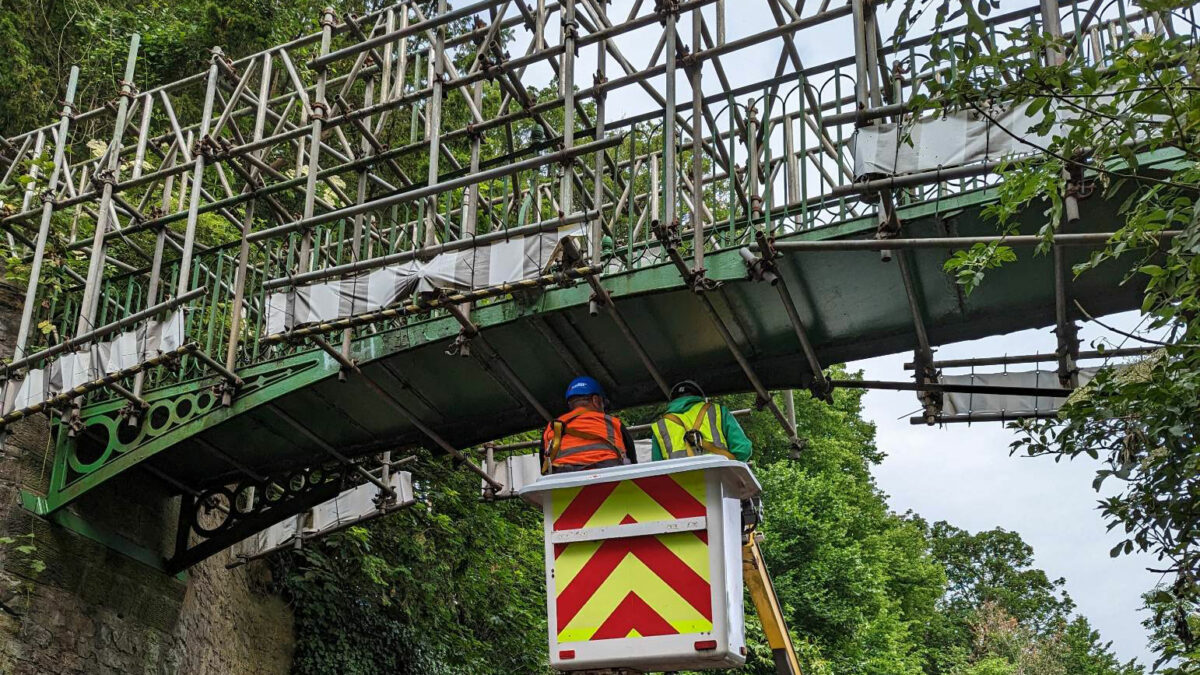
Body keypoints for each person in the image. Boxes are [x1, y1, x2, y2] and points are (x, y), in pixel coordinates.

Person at [541, 376, 637, 474]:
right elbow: (633, 462)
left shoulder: (552, 427)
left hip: (563, 479)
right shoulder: (613, 423)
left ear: (570, 404)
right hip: (609, 476)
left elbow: (544, 468)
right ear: (596, 400)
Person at [649, 380, 752, 462]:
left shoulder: (660, 426)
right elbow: (743, 449)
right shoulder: (717, 412)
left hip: (680, 485)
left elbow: (657, 466)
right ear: (700, 397)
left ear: (672, 401)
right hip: (719, 479)